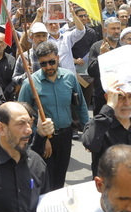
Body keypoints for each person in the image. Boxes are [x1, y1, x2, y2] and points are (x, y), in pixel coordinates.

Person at [18, 40, 89, 190]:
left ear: (57, 58)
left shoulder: (70, 78)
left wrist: (88, 133)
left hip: (65, 136)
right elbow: (22, 115)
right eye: (43, 64)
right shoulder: (30, 83)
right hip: (42, 140)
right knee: (45, 181)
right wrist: (41, 138)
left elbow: (81, 105)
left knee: (59, 179)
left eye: (51, 62)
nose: (48, 67)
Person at [82, 80, 131, 194]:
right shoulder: (99, 124)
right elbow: (90, 143)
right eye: (120, 97)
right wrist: (109, 107)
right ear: (108, 98)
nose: (127, 103)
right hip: (108, 196)